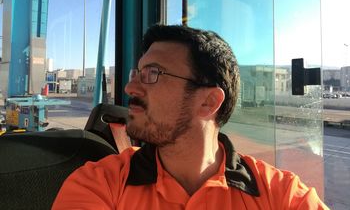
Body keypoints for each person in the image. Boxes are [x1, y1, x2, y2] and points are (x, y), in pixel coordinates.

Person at [52, 25, 329, 209]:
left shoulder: (281, 195)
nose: (130, 88)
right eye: (137, 73)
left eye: (153, 74)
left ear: (209, 102)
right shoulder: (99, 184)